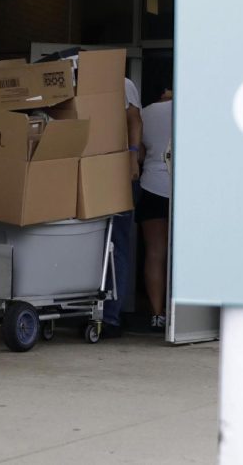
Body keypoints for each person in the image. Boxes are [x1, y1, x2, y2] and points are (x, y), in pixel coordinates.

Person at [101, 76, 142, 338]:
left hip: (117, 175)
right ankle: (90, 310)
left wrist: (132, 156)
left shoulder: (119, 82)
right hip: (92, 173)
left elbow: (134, 119)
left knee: (116, 244)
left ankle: (110, 317)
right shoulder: (73, 82)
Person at [138, 86, 173, 332]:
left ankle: (157, 314)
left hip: (152, 186)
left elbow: (139, 155)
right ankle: (186, 316)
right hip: (187, 190)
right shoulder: (197, 109)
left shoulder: (146, 113)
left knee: (155, 253)